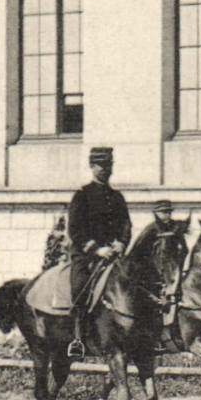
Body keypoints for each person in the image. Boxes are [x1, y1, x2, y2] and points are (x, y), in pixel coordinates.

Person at [66, 146, 130, 357]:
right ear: (91, 167)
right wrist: (96, 249)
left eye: (108, 165)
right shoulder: (82, 195)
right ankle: (77, 339)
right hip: (86, 256)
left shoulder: (117, 197)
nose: (105, 170)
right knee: (80, 287)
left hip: (113, 254)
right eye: (100, 165)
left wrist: (121, 243)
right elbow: (75, 228)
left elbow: (125, 225)